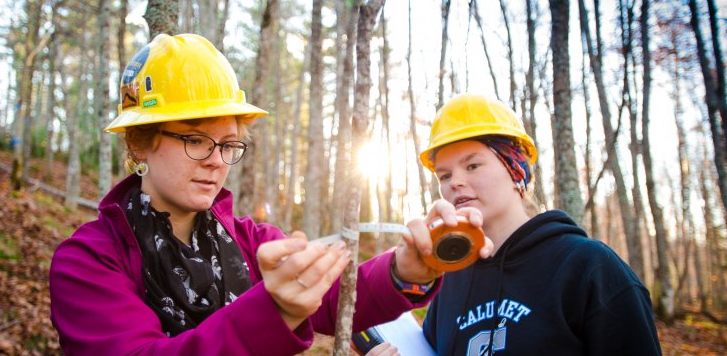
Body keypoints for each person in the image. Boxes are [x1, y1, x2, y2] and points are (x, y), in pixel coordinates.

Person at [49, 33, 456, 355]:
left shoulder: (248, 241)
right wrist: (272, 312)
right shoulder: (89, 261)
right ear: (139, 143)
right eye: (195, 139)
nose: (215, 161)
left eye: (227, 144)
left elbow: (332, 297)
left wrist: (403, 272)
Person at [407, 94, 661, 355]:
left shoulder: (589, 267)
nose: (455, 182)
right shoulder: (450, 279)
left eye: (472, 165)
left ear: (515, 170)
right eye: (445, 175)